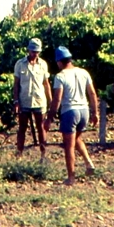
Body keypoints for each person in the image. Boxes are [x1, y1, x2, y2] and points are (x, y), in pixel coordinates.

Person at [44, 46, 99, 186]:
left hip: (70, 112)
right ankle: (88, 163)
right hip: (84, 111)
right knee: (77, 138)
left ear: (59, 62)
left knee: (68, 146)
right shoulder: (84, 72)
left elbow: (57, 99)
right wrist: (95, 112)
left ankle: (71, 178)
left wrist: (50, 117)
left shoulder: (60, 76)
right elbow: (92, 93)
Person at [13, 38, 52, 161]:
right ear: (28, 50)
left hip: (39, 101)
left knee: (41, 128)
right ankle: (19, 154)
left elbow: (46, 84)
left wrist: (51, 101)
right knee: (22, 128)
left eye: (37, 52)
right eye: (33, 51)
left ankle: (43, 155)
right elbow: (16, 85)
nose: (35, 54)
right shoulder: (20, 64)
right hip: (24, 100)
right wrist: (16, 101)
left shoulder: (43, 64)